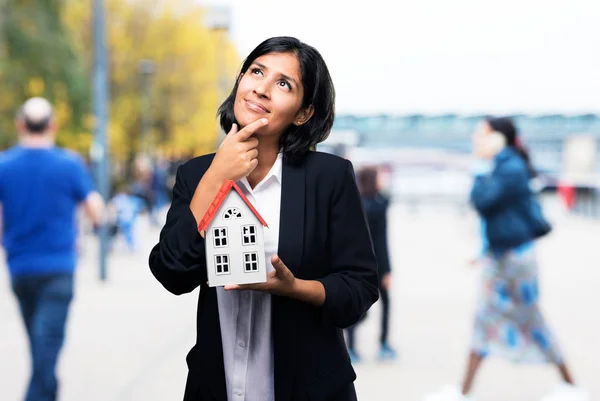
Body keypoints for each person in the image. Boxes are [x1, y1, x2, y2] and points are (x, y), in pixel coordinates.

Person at [148, 36, 379, 401]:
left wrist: (295, 288)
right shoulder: (196, 175)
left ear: (304, 112)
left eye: (284, 83)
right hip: (217, 387)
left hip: (310, 389)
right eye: (257, 72)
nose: (263, 89)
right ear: (240, 80)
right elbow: (171, 272)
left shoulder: (330, 177)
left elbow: (361, 289)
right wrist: (216, 178)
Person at [423, 117, 588, 401]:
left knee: (529, 319)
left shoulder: (509, 167)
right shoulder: (503, 165)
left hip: (514, 261)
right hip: (503, 257)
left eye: (482, 134)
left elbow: (484, 202)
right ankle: (463, 391)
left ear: (498, 138)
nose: (476, 139)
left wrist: (479, 166)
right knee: (489, 319)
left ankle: (571, 385)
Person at [0, 97, 104, 401]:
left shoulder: (4, 165)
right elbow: (96, 209)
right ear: (52, 126)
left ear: (21, 125)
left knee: (40, 347)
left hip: (20, 269)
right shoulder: (69, 164)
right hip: (59, 269)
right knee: (45, 351)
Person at [345, 166, 397, 362]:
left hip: (357, 262)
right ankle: (383, 345)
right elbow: (382, 242)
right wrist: (387, 270)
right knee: (383, 304)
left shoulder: (356, 202)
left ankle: (351, 347)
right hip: (377, 264)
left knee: (358, 305)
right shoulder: (378, 205)